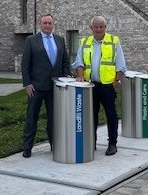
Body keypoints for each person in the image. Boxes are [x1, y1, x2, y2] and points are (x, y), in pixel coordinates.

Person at [72, 16, 127, 156]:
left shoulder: (114, 41)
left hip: (108, 86)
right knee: (91, 116)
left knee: (111, 115)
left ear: (105, 27)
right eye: (96, 27)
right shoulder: (85, 42)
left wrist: (116, 82)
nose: (99, 29)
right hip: (90, 86)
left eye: (101, 26)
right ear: (91, 29)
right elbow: (78, 62)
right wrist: (80, 75)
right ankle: (91, 142)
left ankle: (112, 144)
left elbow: (121, 65)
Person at [21, 13, 70, 157]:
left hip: (55, 87)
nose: (47, 25)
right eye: (45, 23)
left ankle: (54, 145)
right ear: (40, 24)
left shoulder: (60, 40)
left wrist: (64, 78)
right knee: (32, 117)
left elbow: (65, 61)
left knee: (54, 118)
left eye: (49, 23)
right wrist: (27, 83)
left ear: (53, 24)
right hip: (36, 87)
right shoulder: (31, 40)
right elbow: (25, 64)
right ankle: (27, 147)